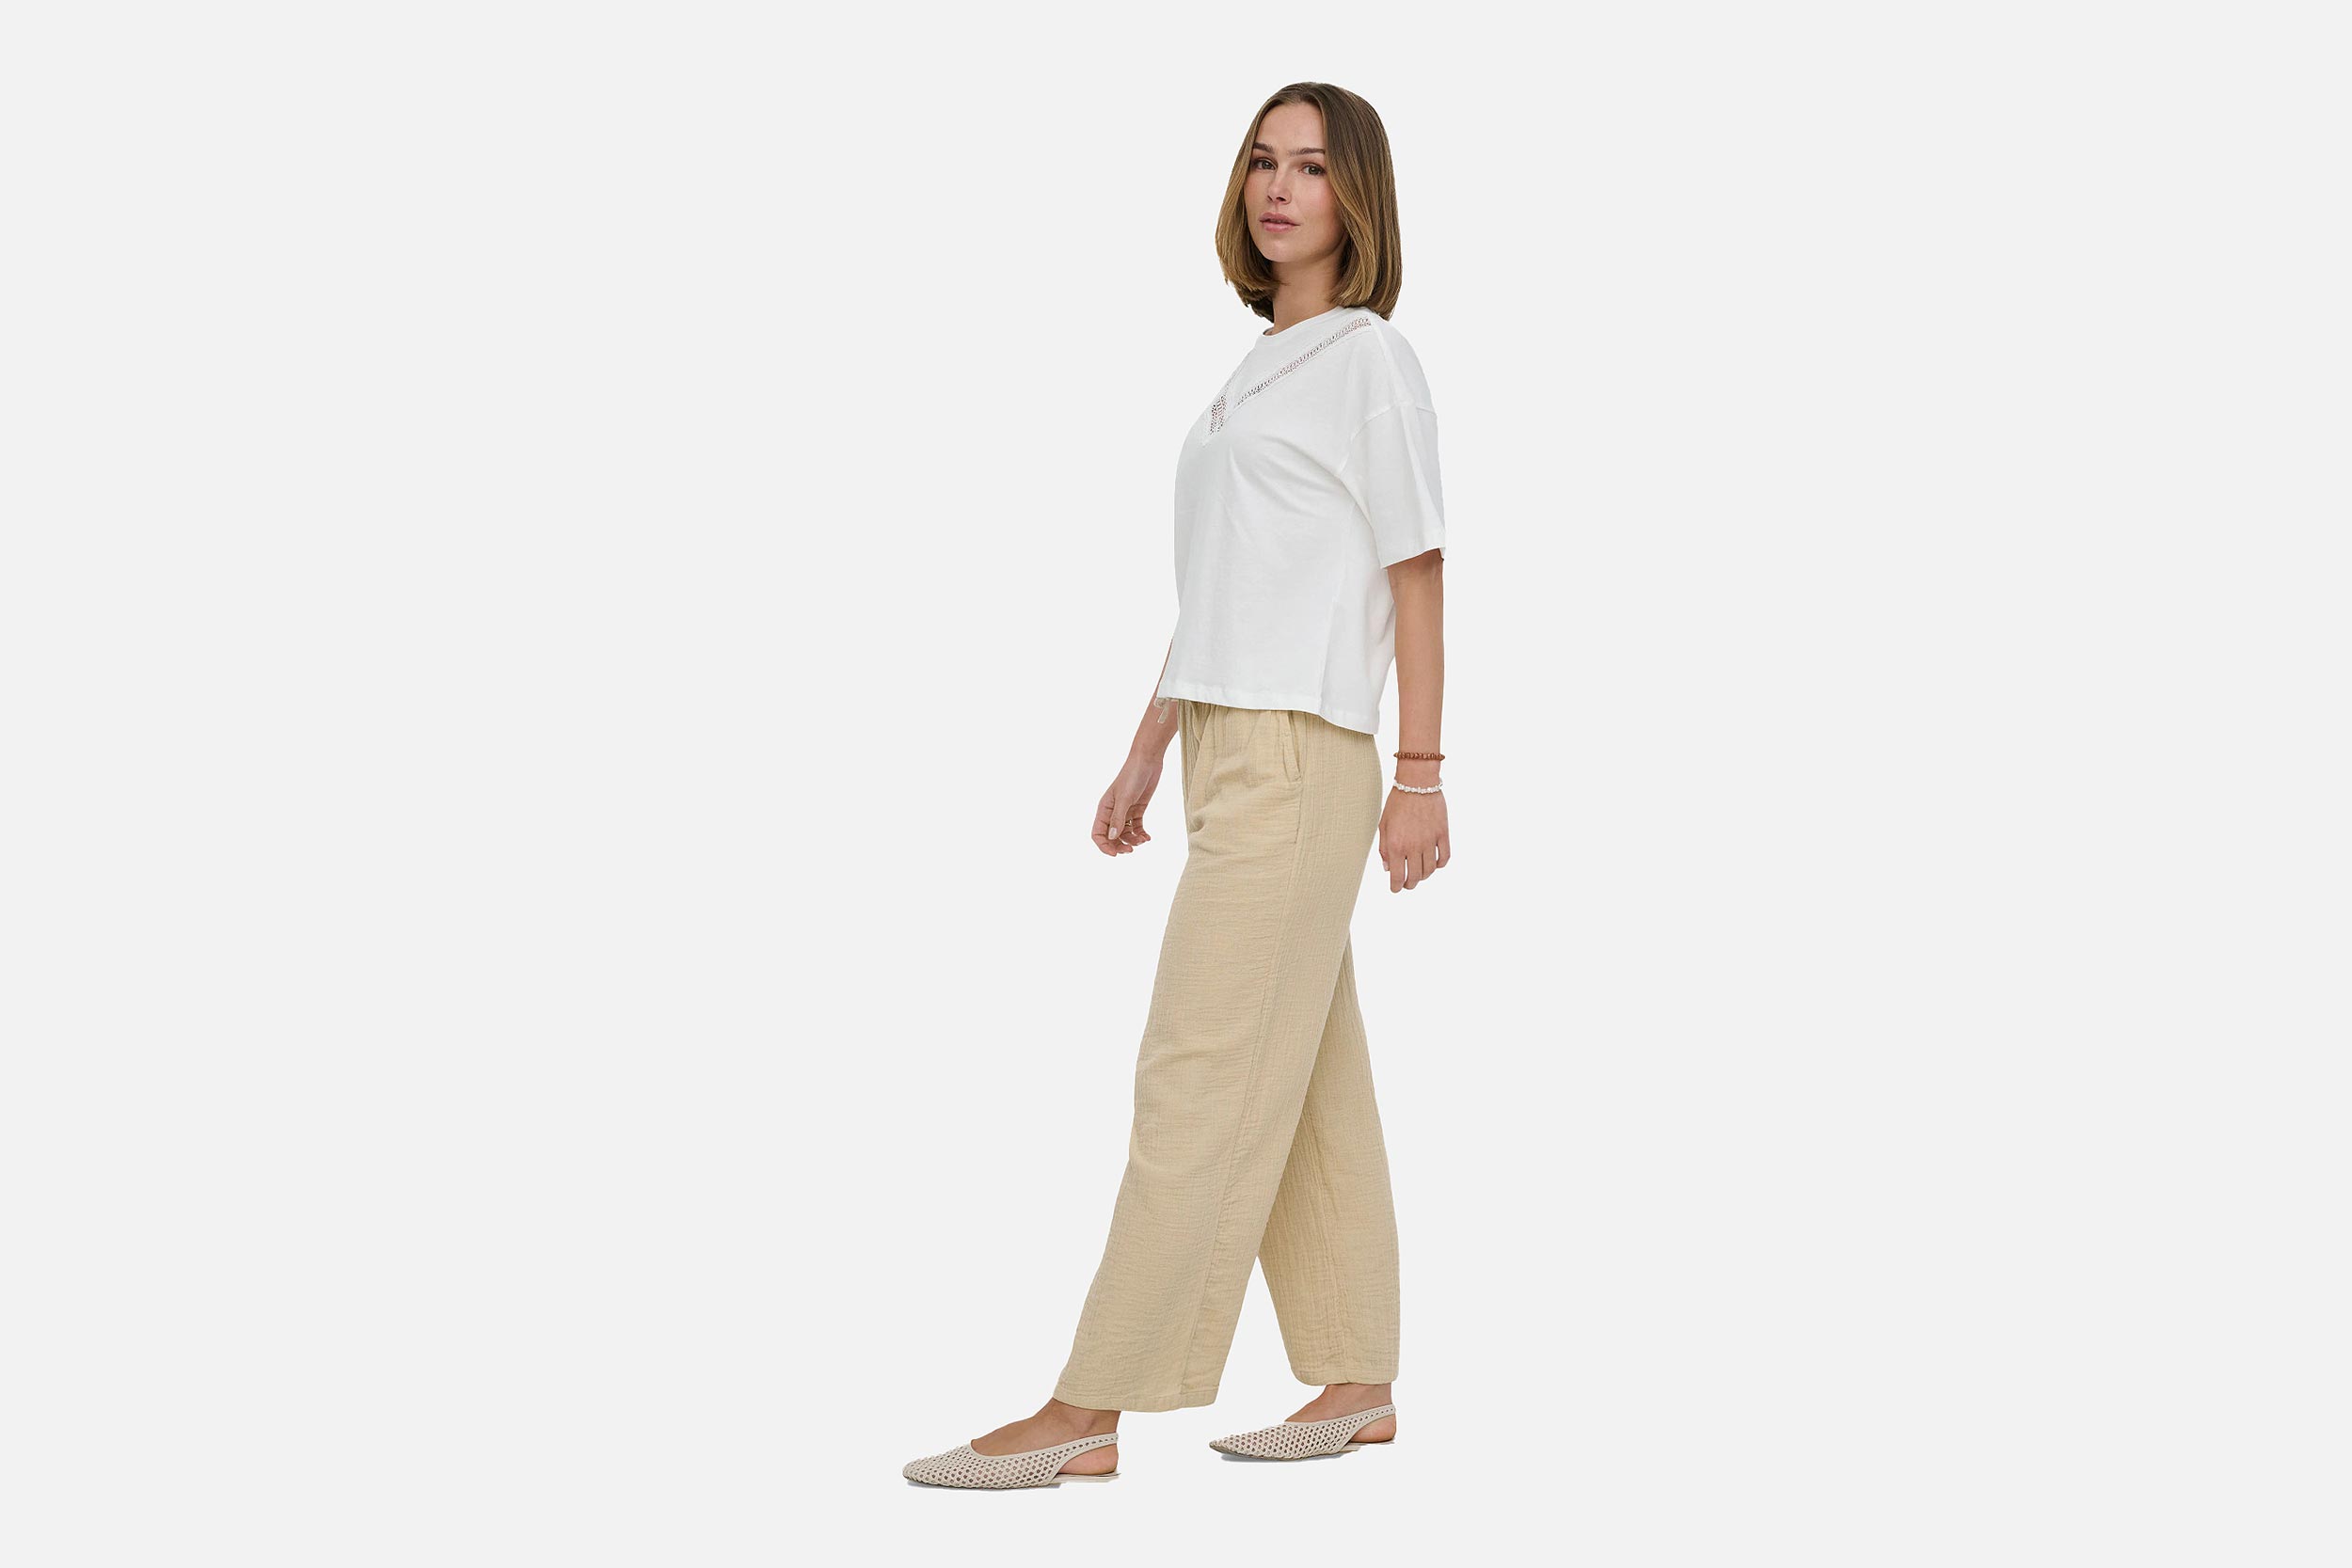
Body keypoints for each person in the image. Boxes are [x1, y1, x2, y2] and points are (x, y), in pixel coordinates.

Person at [902, 82, 1451, 1490]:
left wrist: (1422, 774)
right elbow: (1222, 590)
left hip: (1302, 750)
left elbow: (1417, 573)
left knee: (1198, 1068)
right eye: (1262, 162)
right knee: (1306, 1074)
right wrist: (1147, 744)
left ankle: (1091, 1405)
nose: (1279, 188)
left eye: (1311, 167)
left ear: (1358, 196)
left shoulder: (1371, 362)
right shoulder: (1253, 374)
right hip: (1223, 743)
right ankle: (1360, 1376)